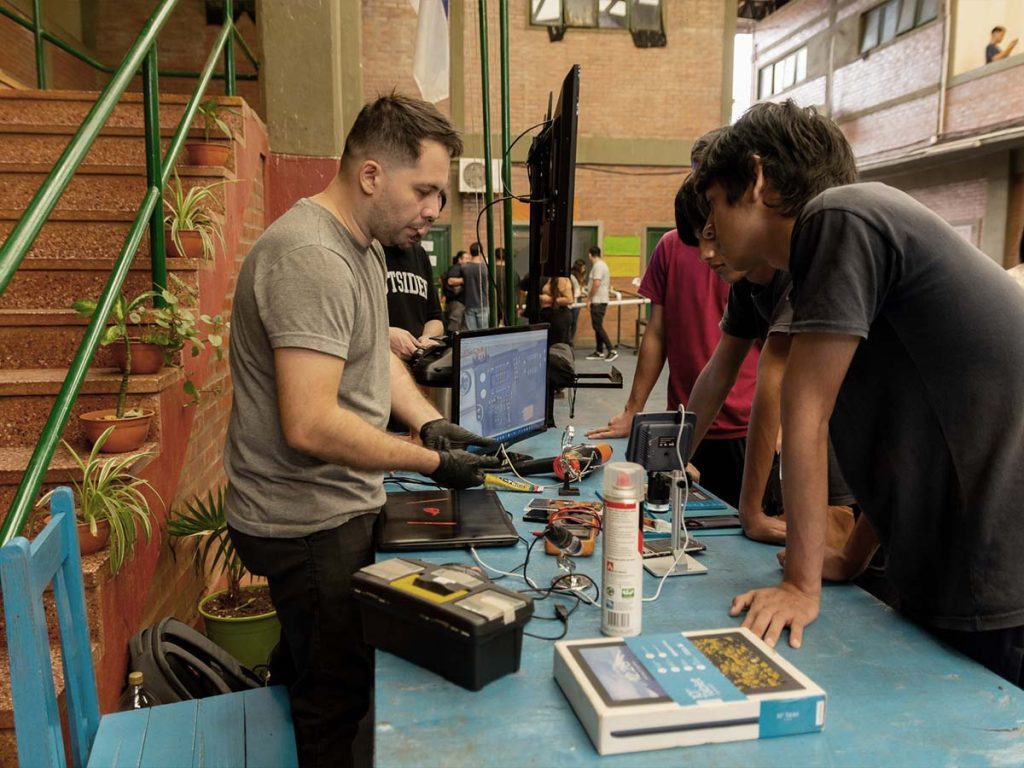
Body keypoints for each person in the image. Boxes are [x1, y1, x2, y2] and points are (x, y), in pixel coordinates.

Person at [694, 100, 1024, 688]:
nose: (709, 226)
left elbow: (807, 413)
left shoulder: (841, 216)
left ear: (759, 177)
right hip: (953, 560)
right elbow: (910, 435)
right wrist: (851, 555)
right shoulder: (827, 259)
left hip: (997, 566)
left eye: (716, 200)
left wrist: (800, 583)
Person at [223, 93, 501, 767]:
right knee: (337, 699)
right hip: (305, 523)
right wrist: (431, 466)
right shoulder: (311, 257)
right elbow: (310, 423)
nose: (435, 210)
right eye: (426, 190)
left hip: (332, 507)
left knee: (315, 666)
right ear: (372, 175)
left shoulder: (363, 247)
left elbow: (371, 355)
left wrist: (431, 424)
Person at [676, 174, 859, 549]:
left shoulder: (800, 270)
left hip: (844, 440)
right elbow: (718, 373)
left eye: (712, 236)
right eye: (699, 241)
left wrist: (751, 510)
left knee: (837, 538)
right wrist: (675, 459)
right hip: (811, 435)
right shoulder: (747, 287)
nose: (705, 254)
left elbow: (773, 375)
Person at [587, 133, 759, 509]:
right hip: (689, 422)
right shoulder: (672, 245)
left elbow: (781, 362)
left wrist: (777, 433)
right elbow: (662, 336)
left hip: (749, 429)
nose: (709, 255)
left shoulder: (759, 261)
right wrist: (636, 412)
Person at [383, 236, 444, 360]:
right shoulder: (370, 250)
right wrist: (384, 336)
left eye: (430, 222)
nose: (421, 231)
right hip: (380, 365)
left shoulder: (420, 254)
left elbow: (435, 318)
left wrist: (427, 338)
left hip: (416, 363)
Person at [585, 246, 617, 362]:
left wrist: (589, 298)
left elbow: (596, 283)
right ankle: (599, 351)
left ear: (590, 255)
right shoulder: (602, 264)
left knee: (597, 326)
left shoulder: (598, 266)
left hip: (598, 300)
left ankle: (611, 349)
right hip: (599, 300)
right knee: (597, 325)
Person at [461, 241, 490, 330]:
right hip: (483, 303)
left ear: (470, 252)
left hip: (469, 303)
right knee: (483, 334)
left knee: (471, 334)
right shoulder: (485, 267)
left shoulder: (464, 267)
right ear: (481, 251)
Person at [538, 275, 574, 346]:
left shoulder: (561, 279)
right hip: (548, 316)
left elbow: (569, 299)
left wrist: (549, 300)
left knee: (557, 346)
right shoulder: (548, 278)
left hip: (559, 316)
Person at [443, 250, 467, 332]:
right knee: (454, 325)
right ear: (460, 260)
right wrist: (466, 279)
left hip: (458, 302)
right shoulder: (456, 268)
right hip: (456, 302)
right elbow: (450, 281)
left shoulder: (460, 268)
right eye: (466, 258)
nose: (468, 260)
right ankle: (453, 343)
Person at [569, 258, 587, 345]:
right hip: (572, 299)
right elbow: (576, 289)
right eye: (583, 267)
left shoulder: (581, 275)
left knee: (574, 320)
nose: (584, 269)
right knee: (571, 320)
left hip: (578, 299)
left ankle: (571, 339)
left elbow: (581, 288)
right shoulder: (572, 275)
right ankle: (568, 339)